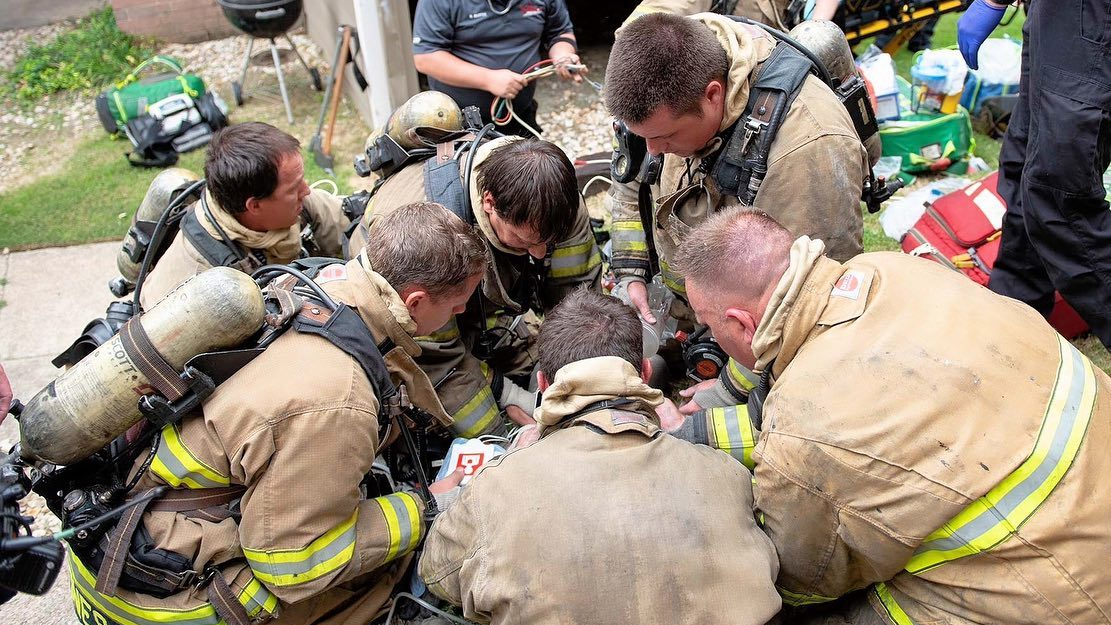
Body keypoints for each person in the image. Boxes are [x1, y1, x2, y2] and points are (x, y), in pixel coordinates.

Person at [665, 208, 1111, 624]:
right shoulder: (888, 270)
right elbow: (854, 429)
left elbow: (806, 579)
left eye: (711, 325)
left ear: (742, 323)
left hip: (1062, 593)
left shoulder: (806, 428)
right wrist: (691, 432)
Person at [67, 202, 491, 625]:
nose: (459, 315)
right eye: (457, 305)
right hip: (158, 599)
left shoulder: (312, 286)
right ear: (414, 301)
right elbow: (295, 566)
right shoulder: (337, 398)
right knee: (393, 579)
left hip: (126, 530)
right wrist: (425, 507)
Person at [418, 288, 781, 625]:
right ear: (643, 373)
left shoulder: (494, 493)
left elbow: (437, 574)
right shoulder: (725, 475)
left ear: (543, 384)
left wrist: (508, 463)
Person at [604, 11, 868, 412]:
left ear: (712, 96)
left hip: (755, 336)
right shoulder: (661, 88)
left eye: (665, 137)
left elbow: (802, 305)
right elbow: (628, 184)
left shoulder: (805, 148)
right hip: (703, 312)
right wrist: (629, 273)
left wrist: (732, 387)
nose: (653, 151)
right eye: (646, 138)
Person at [347, 135, 601, 438]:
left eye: (549, 242)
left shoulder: (556, 198)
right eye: (523, 241)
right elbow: (438, 357)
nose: (540, 254)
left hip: (472, 295)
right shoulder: (429, 240)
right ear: (489, 202)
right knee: (482, 427)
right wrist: (505, 408)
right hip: (419, 309)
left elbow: (577, 295)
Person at [958, 0, 1111, 348]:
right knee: (1024, 171)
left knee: (1059, 200)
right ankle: (1008, 339)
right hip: (1057, 16)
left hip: (1091, 16)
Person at [139, 122, 349, 309]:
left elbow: (350, 224)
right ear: (255, 205)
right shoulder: (198, 284)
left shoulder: (295, 205)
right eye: (294, 188)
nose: (306, 191)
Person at [411, 0, 582, 137]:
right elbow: (426, 58)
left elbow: (559, 33)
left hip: (520, 116)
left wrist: (562, 55)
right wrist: (488, 79)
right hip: (457, 124)